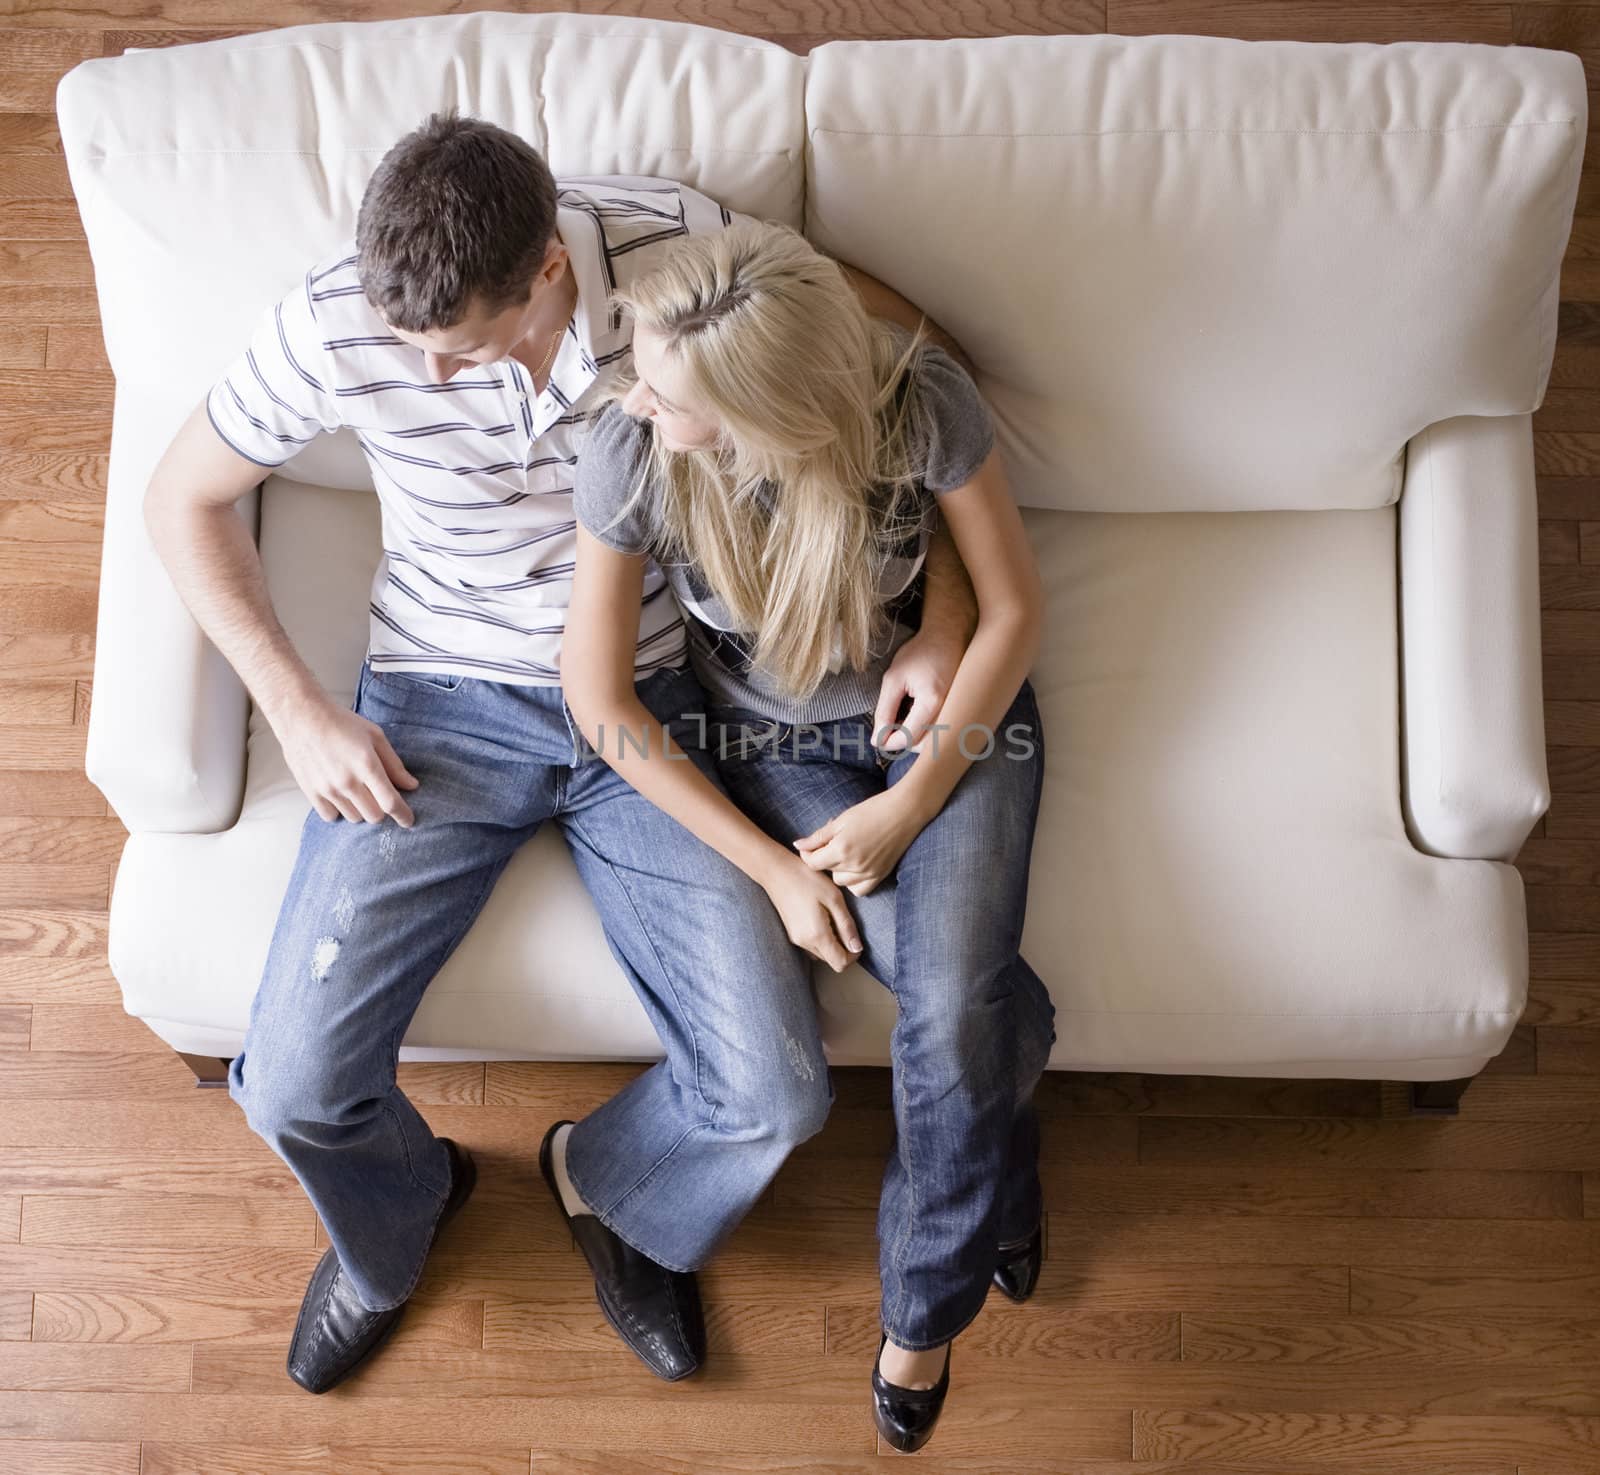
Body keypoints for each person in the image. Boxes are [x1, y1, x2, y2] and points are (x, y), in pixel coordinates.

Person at [142, 112, 971, 1395]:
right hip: (433, 701)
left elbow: (905, 369)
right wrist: (301, 711)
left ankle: (615, 1192)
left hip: (649, 707)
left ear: (543, 272)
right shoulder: (337, 316)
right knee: (293, 1085)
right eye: (414, 355)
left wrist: (952, 603)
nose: (432, 380)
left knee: (776, 1097)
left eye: (461, 354)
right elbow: (179, 495)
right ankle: (395, 1222)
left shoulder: (680, 255)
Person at [562, 218, 1056, 1452]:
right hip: (760, 751)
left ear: (765, 412)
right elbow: (600, 700)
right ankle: (995, 1148)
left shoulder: (911, 398)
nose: (636, 396)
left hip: (948, 729)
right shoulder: (632, 453)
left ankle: (919, 1319)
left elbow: (1013, 607)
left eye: (672, 393)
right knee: (983, 1010)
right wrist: (774, 869)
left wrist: (911, 798)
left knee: (948, 1008)